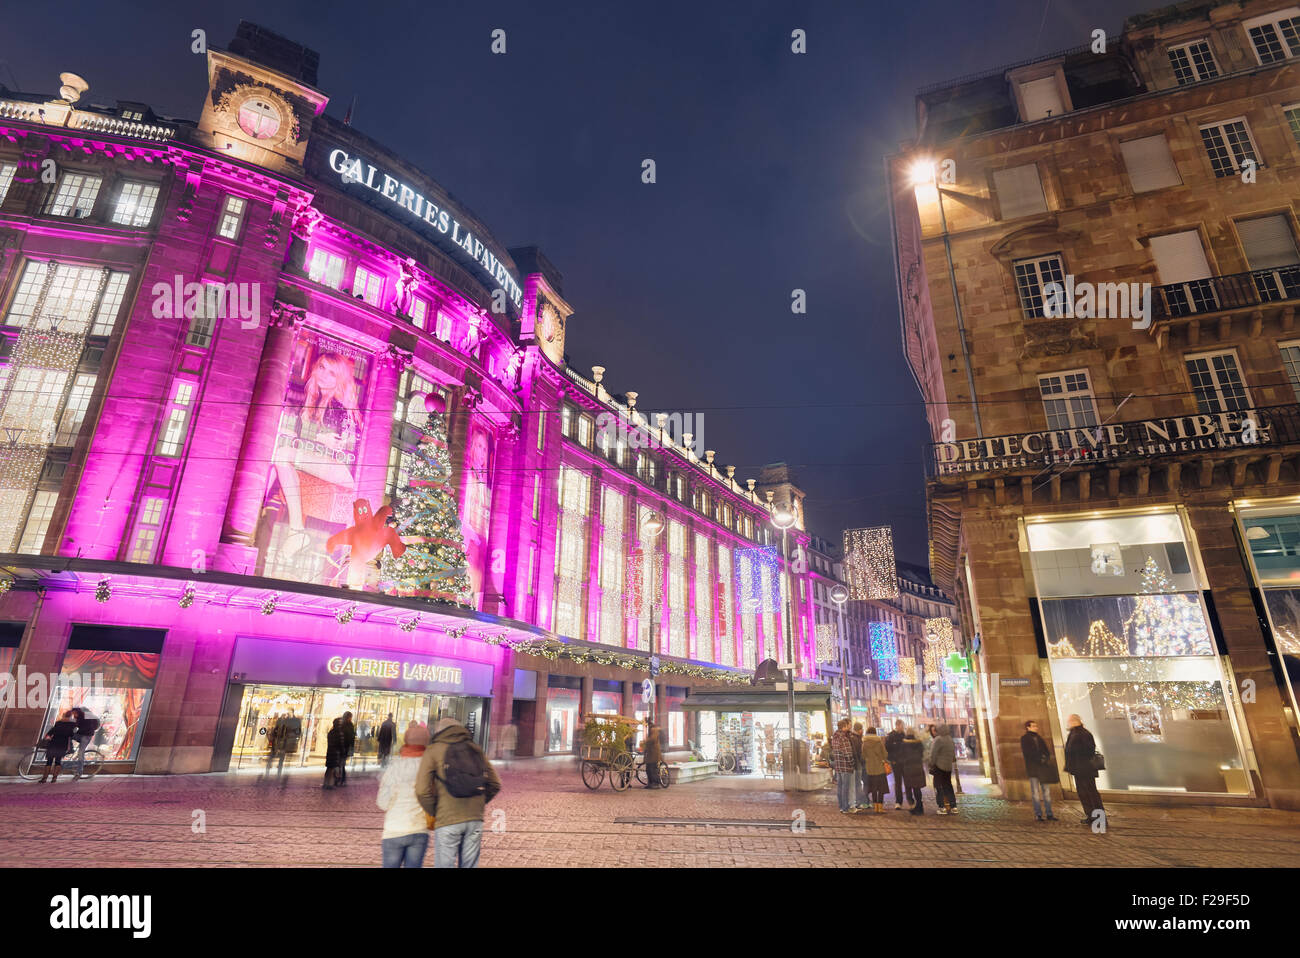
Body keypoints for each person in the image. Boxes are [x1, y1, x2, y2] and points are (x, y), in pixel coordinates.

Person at [415, 717, 502, 868]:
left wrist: (435, 811)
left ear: (439, 731)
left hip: (447, 817)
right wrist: (479, 803)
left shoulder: (434, 749)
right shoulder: (475, 748)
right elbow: (495, 784)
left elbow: (422, 790)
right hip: (475, 818)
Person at [376, 723, 432, 867]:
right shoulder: (430, 768)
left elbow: (382, 803)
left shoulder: (394, 767)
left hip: (394, 829)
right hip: (420, 829)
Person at [1064, 714, 1104, 829]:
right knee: (1084, 794)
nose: (1068, 722)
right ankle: (1091, 816)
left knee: (1091, 793)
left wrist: (1076, 756)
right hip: (1078, 769)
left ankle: (1099, 818)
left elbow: (1089, 750)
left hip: (1085, 769)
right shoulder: (1074, 733)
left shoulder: (1083, 733)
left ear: (1076, 721)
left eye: (1070, 720)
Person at [1020, 719, 1059, 822]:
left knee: (1046, 792)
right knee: (1035, 793)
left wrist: (1045, 758)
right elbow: (1027, 753)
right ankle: (1038, 814)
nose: (1036, 727)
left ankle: (1049, 814)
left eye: (1036, 726)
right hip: (1033, 769)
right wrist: (1039, 758)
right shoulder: (1025, 738)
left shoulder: (1040, 738)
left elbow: (1046, 751)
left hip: (1043, 769)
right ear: (1028, 727)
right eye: (1033, 726)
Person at [38, 711, 80, 783]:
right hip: (62, 744)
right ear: (71, 716)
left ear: (64, 715)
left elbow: (50, 733)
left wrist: (47, 738)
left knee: (49, 761)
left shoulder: (58, 722)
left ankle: (44, 778)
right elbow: (72, 735)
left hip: (53, 743)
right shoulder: (72, 724)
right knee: (58, 761)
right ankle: (54, 779)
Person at [830, 719, 858, 813]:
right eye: (847, 726)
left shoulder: (835, 738)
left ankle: (841, 806)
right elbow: (848, 754)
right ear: (844, 727)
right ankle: (845, 807)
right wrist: (852, 764)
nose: (848, 727)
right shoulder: (844, 738)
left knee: (840, 787)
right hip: (846, 767)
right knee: (845, 788)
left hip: (838, 766)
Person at [930, 723, 958, 815]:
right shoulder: (950, 739)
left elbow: (933, 754)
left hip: (939, 766)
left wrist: (931, 764)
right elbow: (953, 754)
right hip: (948, 767)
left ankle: (942, 807)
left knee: (938, 787)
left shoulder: (938, 740)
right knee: (948, 786)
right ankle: (953, 806)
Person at [860, 726, 889, 813]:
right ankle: (880, 808)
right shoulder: (879, 742)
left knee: (873, 789)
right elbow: (885, 755)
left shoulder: (864, 743)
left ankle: (875, 807)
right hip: (879, 768)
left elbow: (863, 756)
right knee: (880, 789)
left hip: (870, 769)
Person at [900, 726, 926, 815]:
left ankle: (912, 804)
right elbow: (922, 754)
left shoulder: (903, 744)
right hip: (918, 767)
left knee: (909, 787)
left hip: (908, 768)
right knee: (917, 788)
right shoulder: (919, 743)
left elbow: (902, 756)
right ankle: (920, 806)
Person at [69, 706, 100, 780]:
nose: (74, 715)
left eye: (74, 714)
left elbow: (88, 728)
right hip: (81, 735)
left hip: (86, 736)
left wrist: (77, 731)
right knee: (68, 736)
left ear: (78, 712)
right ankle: (70, 749)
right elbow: (75, 725)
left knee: (80, 753)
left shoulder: (87, 717)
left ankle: (79, 772)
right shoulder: (79, 717)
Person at [885, 720, 906, 809]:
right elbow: (887, 748)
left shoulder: (905, 735)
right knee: (898, 783)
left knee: (907, 782)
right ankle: (898, 802)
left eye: (902, 726)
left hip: (904, 762)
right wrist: (892, 759)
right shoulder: (891, 736)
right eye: (901, 725)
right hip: (896, 762)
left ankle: (910, 800)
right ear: (897, 725)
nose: (902, 727)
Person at [324, 718, 345, 789]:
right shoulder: (339, 733)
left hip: (330, 751)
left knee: (329, 768)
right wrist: (343, 752)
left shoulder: (331, 732)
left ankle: (326, 783)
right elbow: (341, 744)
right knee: (332, 768)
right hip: (336, 753)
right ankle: (330, 784)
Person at [850, 722, 866, 810]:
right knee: (858, 784)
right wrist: (861, 761)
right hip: (857, 765)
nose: (862, 731)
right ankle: (858, 802)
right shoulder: (856, 739)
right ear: (859, 730)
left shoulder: (853, 738)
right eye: (861, 729)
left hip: (855, 764)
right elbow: (858, 753)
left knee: (856, 784)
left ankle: (856, 801)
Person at [642, 721, 664, 788]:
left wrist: (646, 741)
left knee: (652, 769)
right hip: (651, 753)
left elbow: (653, 739)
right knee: (648, 769)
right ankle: (650, 783)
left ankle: (655, 784)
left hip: (654, 753)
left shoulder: (654, 730)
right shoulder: (652, 730)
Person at [338, 710, 356, 785]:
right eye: (350, 717)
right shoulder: (348, 725)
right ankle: (341, 779)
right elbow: (351, 738)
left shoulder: (345, 725)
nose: (350, 719)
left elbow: (351, 737)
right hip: (344, 747)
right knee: (341, 764)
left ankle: (341, 779)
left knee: (341, 764)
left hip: (343, 747)